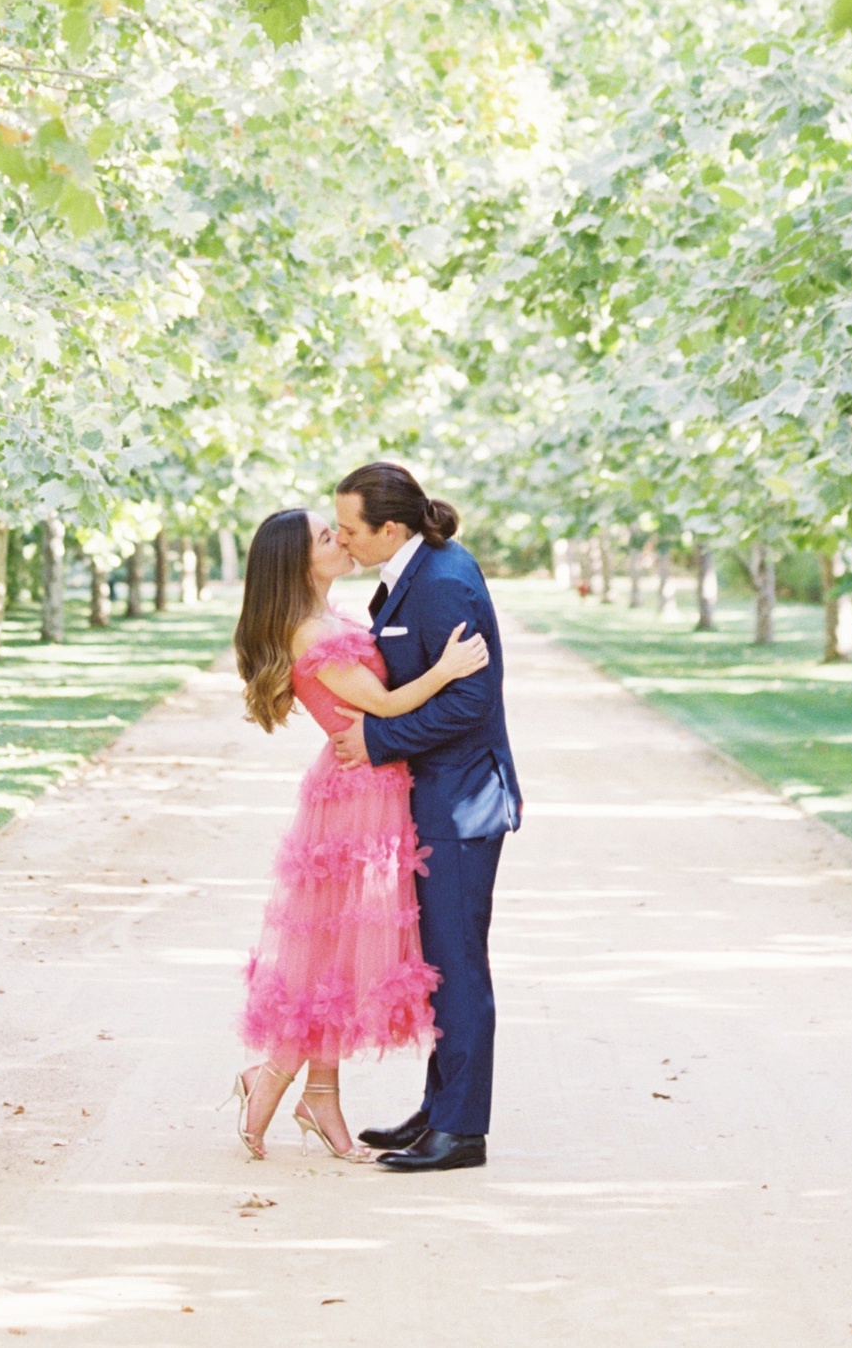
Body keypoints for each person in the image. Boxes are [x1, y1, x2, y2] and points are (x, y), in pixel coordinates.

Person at [231, 506, 491, 1161]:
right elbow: (384, 704)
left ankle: (319, 1093)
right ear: (299, 562)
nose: (342, 539)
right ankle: (269, 1083)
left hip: (371, 786)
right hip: (356, 797)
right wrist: (448, 668)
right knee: (330, 951)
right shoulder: (312, 631)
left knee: (336, 949)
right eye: (328, 536)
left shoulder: (328, 616)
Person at [330, 460, 521, 1175]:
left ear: (390, 528)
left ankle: (461, 1131)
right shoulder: (416, 569)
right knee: (439, 961)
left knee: (458, 964)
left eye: (350, 529)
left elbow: (470, 701)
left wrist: (376, 740)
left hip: (462, 803)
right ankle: (440, 1109)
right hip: (438, 797)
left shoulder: (443, 582)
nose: (342, 541)